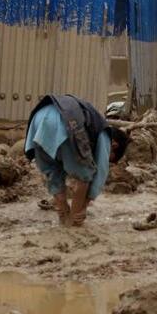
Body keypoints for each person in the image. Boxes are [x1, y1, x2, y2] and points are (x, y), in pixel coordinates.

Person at [24, 94, 129, 227]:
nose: (106, 156)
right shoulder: (105, 133)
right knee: (84, 175)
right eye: (110, 157)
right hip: (63, 121)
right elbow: (100, 172)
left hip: (38, 119)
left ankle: (63, 215)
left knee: (53, 173)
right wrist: (84, 204)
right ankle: (74, 222)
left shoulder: (92, 124)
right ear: (114, 145)